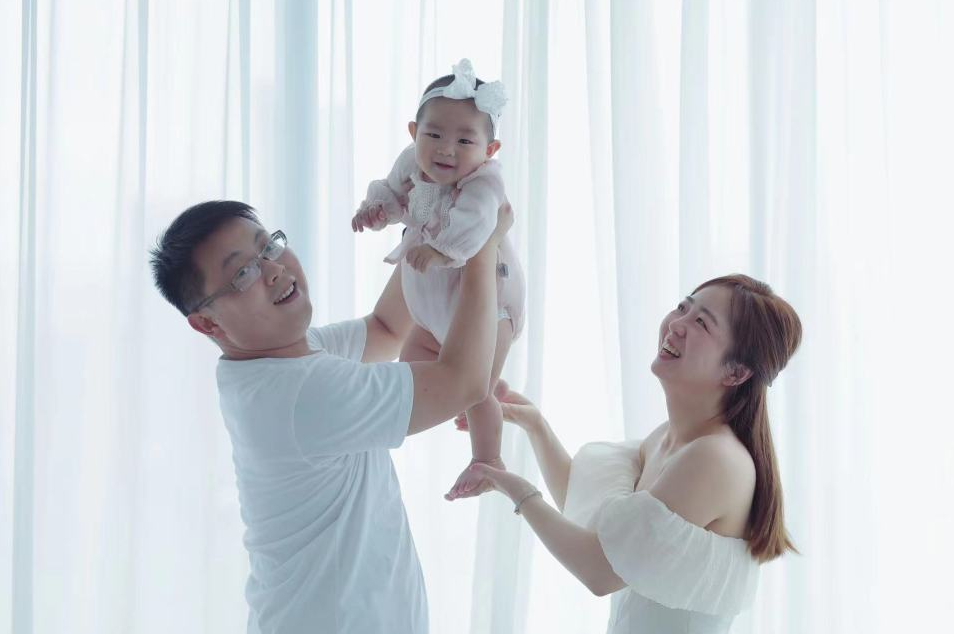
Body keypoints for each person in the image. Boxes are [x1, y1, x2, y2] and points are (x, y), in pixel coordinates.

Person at [149, 199, 512, 633]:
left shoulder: (277, 363)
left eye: (268, 248)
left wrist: (436, 219)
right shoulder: (302, 394)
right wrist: (483, 244)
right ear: (208, 324)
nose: (274, 270)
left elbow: (386, 328)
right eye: (243, 273)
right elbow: (464, 382)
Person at [467, 274, 802, 633]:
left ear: (736, 372)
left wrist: (512, 487)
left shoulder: (716, 459)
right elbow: (589, 517)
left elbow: (600, 570)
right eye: (683, 307)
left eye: (702, 323)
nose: (676, 324)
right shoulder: (668, 438)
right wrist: (536, 426)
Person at [351, 59, 526, 500]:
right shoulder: (412, 162)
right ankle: (483, 388)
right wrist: (376, 211)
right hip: (432, 313)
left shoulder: (484, 183)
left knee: (475, 391)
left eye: (465, 140)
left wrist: (441, 249)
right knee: (413, 371)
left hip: (488, 308)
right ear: (414, 133)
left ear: (490, 149)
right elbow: (393, 193)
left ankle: (488, 459)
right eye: (433, 135)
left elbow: (478, 221)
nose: (446, 150)